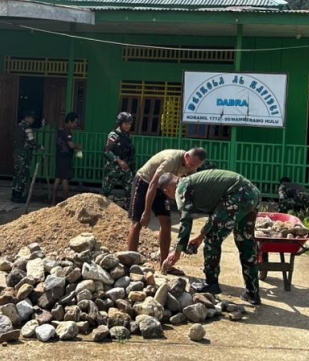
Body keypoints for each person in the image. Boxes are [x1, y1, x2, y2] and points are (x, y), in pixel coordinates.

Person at [159, 169, 262, 305]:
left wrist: (177, 250)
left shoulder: (181, 188)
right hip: (252, 193)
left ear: (166, 190)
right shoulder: (192, 183)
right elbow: (217, 214)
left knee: (212, 239)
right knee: (245, 242)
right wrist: (200, 236)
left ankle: (211, 283)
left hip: (237, 195)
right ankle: (252, 293)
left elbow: (185, 220)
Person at [126, 147, 207, 270]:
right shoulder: (171, 160)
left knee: (166, 222)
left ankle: (164, 265)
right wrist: (147, 212)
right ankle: (129, 264)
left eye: (195, 166)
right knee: (137, 223)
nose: (192, 168)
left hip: (163, 188)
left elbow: (188, 188)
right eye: (191, 165)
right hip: (145, 183)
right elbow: (153, 184)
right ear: (187, 156)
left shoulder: (192, 166)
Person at [102, 111, 135, 204]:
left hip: (126, 166)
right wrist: (119, 161)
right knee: (107, 190)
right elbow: (107, 151)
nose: (128, 126)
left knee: (129, 189)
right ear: (120, 123)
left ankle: (128, 206)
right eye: (126, 124)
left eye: (129, 124)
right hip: (115, 167)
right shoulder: (114, 135)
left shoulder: (127, 135)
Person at [51, 111, 81, 204]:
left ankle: (53, 201)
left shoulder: (60, 130)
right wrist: (78, 146)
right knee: (65, 179)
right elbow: (71, 145)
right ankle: (65, 202)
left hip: (59, 157)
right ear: (70, 121)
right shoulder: (67, 132)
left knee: (57, 178)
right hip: (65, 158)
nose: (75, 125)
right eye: (75, 122)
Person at [10, 110, 37, 203]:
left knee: (16, 174)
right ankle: (18, 195)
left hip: (17, 153)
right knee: (23, 175)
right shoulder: (26, 128)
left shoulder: (18, 126)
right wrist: (39, 147)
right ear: (28, 118)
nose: (33, 120)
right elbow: (32, 141)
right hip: (24, 155)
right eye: (32, 118)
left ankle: (14, 194)